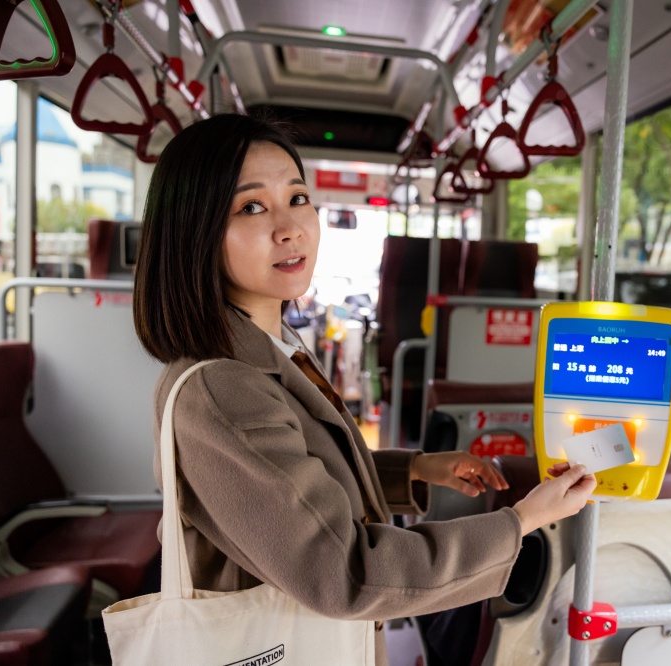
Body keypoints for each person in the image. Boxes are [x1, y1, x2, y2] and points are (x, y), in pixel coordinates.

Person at [133, 113, 596, 664]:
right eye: (251, 206)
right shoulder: (223, 389)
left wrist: (415, 469)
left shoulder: (273, 345)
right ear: (193, 231)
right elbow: (346, 573)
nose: (291, 227)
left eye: (298, 198)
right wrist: (523, 521)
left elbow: (295, 481)